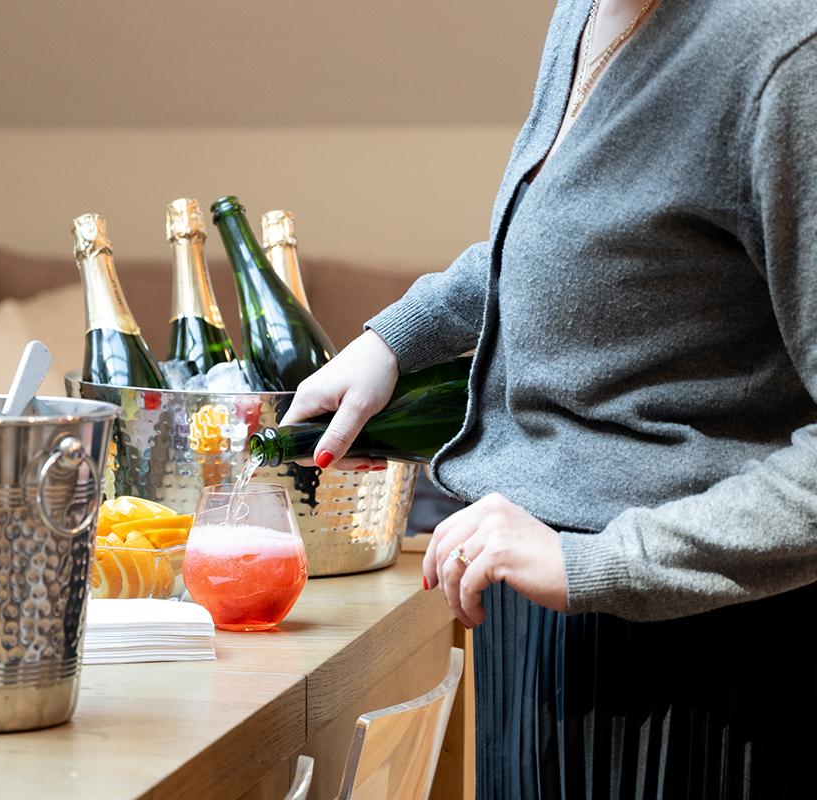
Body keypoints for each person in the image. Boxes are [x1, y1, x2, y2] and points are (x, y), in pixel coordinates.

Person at [282, 0, 817, 796]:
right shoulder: (589, 10)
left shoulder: (783, 50)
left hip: (696, 660)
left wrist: (601, 562)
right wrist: (396, 338)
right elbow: (557, 236)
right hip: (541, 623)